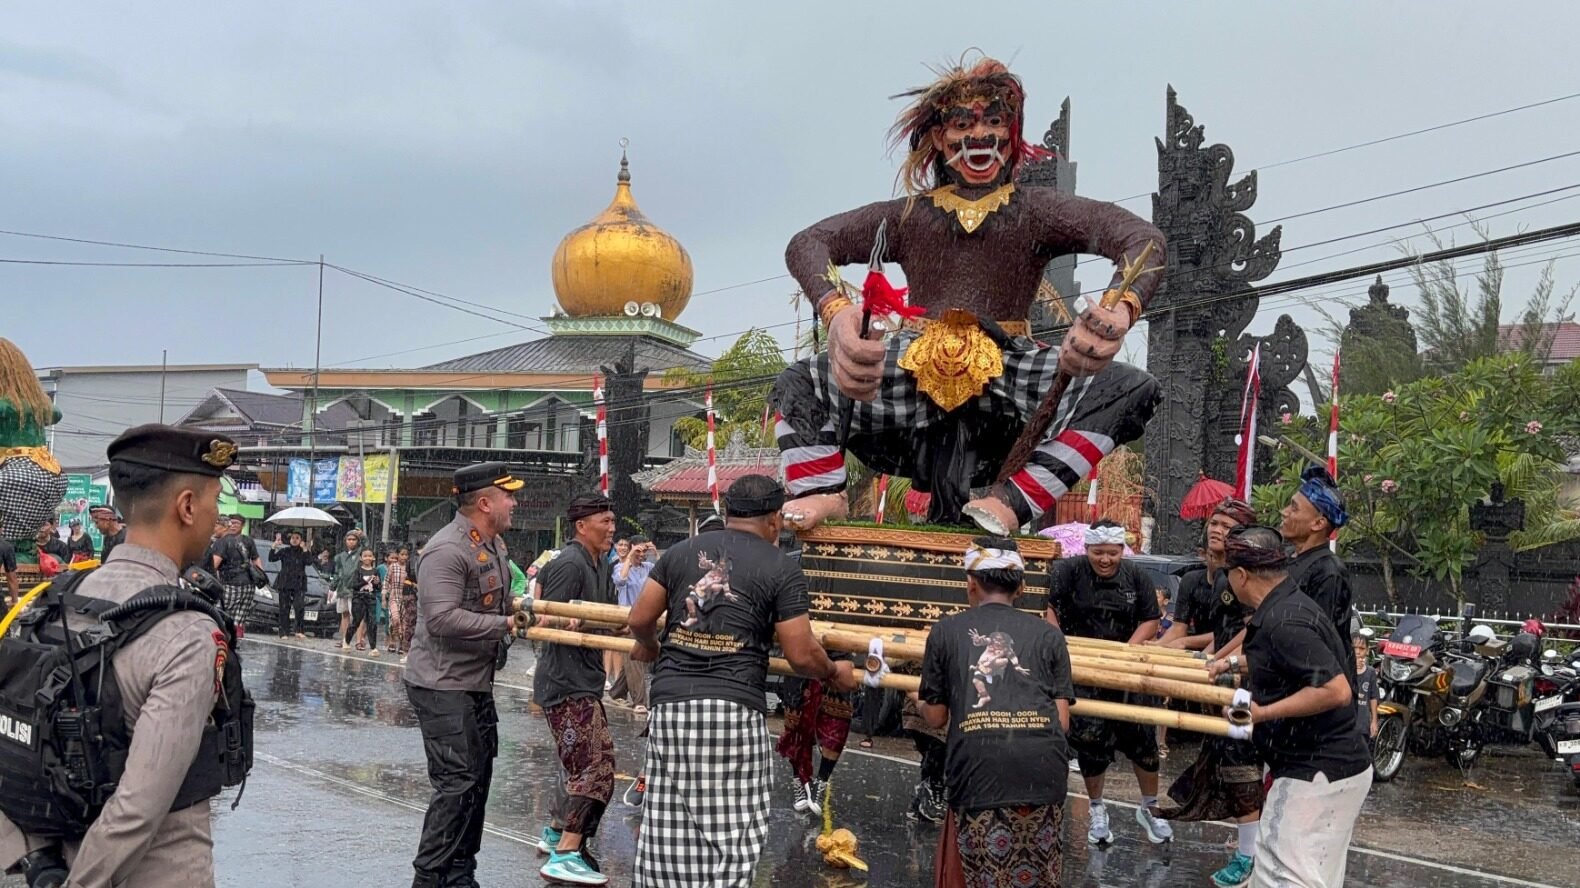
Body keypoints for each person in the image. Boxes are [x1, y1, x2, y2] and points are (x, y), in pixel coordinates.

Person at [769, 54, 1165, 533]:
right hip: (913, 358)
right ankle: (820, 491)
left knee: (1130, 386)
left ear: (1012, 134)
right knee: (800, 380)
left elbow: (1144, 239)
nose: (978, 136)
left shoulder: (1036, 210)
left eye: (993, 121)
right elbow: (807, 242)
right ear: (940, 138)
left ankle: (1013, 502)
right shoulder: (908, 215)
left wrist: (1115, 312)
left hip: (1009, 362)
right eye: (962, 124)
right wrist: (838, 316)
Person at [0, 424, 244, 886]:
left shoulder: (55, 599)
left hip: (52, 862)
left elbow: (11, 740)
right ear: (187, 507)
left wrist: (36, 861)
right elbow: (138, 808)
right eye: (215, 503)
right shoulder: (187, 633)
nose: (216, 520)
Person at [628, 474, 858, 887]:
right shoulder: (780, 566)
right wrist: (834, 672)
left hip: (671, 706)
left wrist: (650, 646)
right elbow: (802, 654)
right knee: (732, 830)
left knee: (668, 826)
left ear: (729, 512)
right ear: (774, 520)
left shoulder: (681, 552)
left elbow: (640, 619)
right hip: (732, 707)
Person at [1208, 525, 1373, 888]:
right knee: (1313, 878)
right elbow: (1286, 659)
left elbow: (1335, 690)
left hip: (1314, 771)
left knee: (1281, 878)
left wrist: (1263, 713)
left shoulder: (1285, 620)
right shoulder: (1287, 603)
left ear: (1240, 575)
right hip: (1335, 766)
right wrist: (1231, 664)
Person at [917, 537, 1075, 887]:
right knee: (1037, 874)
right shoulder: (1049, 635)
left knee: (979, 876)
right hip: (1043, 769)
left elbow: (936, 717)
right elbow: (1061, 722)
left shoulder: (945, 632)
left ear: (971, 582)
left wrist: (917, 701)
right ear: (1020, 587)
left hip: (979, 769)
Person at [403, 462, 524, 888]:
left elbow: (496, 604)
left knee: (478, 782)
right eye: (507, 495)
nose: (514, 502)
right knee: (457, 784)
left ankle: (459, 874)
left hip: (475, 683)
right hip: (441, 685)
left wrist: (532, 615)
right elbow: (441, 619)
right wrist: (504, 626)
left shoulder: (494, 546)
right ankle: (430, 878)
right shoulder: (446, 550)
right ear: (485, 502)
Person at [1152, 499, 1264, 887]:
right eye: (1214, 523)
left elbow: (1253, 631)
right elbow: (1211, 632)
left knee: (1242, 764)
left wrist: (1221, 660)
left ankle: (1249, 856)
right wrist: (1155, 651)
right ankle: (1252, 848)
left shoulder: (1251, 576)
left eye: (1228, 525)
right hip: (1226, 674)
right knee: (1228, 762)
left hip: (1250, 678)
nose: (1217, 529)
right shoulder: (1212, 579)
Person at [1044, 519, 1170, 846]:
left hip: (1127, 668)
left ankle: (1149, 806)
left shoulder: (1136, 576)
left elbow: (1151, 620)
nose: (1105, 560)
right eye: (1098, 553)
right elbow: (1048, 608)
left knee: (1143, 741)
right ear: (1086, 550)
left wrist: (1127, 651)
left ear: (1121, 551)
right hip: (1081, 666)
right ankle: (1097, 808)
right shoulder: (1068, 572)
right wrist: (1058, 644)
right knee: (1091, 743)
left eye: (1112, 554)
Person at [533, 494, 620, 885]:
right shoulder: (568, 563)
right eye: (605, 521)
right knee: (595, 767)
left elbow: (613, 618)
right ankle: (565, 852)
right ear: (582, 526)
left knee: (578, 762)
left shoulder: (602, 563)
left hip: (585, 679)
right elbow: (548, 618)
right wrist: (571, 624)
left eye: (613, 520)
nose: (612, 528)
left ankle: (555, 831)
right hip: (565, 682)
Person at [1281, 466, 1354, 645]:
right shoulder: (1286, 559)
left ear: (1318, 523)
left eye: (1294, 508)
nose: (1284, 512)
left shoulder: (1328, 572)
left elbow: (1314, 640)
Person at [612, 534, 655, 714]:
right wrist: (630, 557)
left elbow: (666, 578)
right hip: (628, 617)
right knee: (635, 657)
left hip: (648, 618)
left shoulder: (649, 567)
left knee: (635, 656)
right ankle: (639, 700)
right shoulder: (620, 567)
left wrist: (654, 553)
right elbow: (620, 581)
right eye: (638, 550)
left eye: (643, 551)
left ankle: (617, 691)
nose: (641, 554)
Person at [211, 515, 262, 634]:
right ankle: (236, 643)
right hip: (248, 586)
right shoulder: (248, 541)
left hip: (231, 584)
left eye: (236, 523)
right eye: (232, 523)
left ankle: (224, 644)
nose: (233, 525)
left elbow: (214, 565)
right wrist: (260, 578)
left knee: (219, 614)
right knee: (238, 621)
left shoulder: (222, 542)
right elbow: (257, 561)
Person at [269, 530, 314, 638]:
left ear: (301, 540)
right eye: (292, 538)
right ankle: (283, 632)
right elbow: (272, 559)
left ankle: (299, 630)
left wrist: (305, 549)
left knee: (299, 606)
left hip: (299, 582)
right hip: (285, 582)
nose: (294, 540)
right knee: (284, 608)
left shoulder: (303, 552)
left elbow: (309, 562)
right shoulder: (285, 551)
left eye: (297, 538)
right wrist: (274, 546)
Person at [332, 530, 366, 650]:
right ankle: (344, 640)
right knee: (344, 614)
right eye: (349, 539)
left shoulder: (360, 554)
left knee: (358, 616)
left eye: (354, 539)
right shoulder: (340, 557)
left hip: (355, 589)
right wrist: (333, 587)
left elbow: (367, 549)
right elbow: (337, 573)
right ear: (345, 541)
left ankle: (358, 641)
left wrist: (363, 536)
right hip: (342, 588)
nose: (351, 542)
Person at [346, 548, 382, 655]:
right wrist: (365, 581)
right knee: (356, 621)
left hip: (371, 598)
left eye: (370, 556)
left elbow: (378, 588)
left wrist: (376, 583)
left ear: (373, 558)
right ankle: (346, 641)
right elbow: (354, 586)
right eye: (365, 556)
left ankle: (373, 647)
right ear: (361, 558)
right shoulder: (358, 571)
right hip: (359, 598)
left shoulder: (376, 571)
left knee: (372, 622)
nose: (368, 558)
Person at [1355, 637, 1380, 753]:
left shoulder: (1370, 672)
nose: (1358, 651)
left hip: (1362, 723)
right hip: (1348, 723)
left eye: (1361, 648)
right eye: (1354, 648)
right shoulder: (1344, 669)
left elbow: (1373, 696)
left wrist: (1374, 721)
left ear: (1367, 651)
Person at [384, 547, 411, 654]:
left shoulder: (409, 568)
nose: (404, 557)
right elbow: (386, 581)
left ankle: (401, 644)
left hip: (406, 598)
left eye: (406, 555)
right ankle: (392, 640)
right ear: (398, 555)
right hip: (394, 596)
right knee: (395, 619)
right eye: (402, 554)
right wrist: (383, 596)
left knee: (405, 622)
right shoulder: (393, 566)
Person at [396, 545, 419, 663]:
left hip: (418, 592)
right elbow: (413, 574)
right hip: (411, 592)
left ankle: (411, 650)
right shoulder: (416, 558)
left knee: (415, 623)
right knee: (411, 621)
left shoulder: (418, 557)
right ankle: (406, 651)